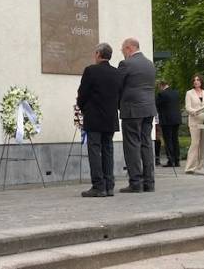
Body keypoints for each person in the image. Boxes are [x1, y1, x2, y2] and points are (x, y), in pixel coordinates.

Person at [77, 43, 122, 197]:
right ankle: (109, 186)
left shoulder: (90, 71)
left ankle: (98, 186)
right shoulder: (116, 73)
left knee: (95, 151)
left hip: (94, 117)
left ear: (98, 54)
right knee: (108, 150)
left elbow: (82, 95)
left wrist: (84, 109)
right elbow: (119, 96)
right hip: (110, 118)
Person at [118, 38, 157, 193]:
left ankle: (135, 183)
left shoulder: (126, 64)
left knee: (132, 145)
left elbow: (117, 86)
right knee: (146, 144)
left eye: (123, 50)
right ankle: (149, 183)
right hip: (149, 109)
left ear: (129, 48)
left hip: (132, 109)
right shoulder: (150, 64)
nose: (123, 54)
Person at [184, 74, 204, 174]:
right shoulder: (189, 93)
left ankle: (201, 166)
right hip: (195, 120)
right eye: (194, 80)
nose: (196, 81)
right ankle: (190, 167)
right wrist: (194, 111)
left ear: (201, 82)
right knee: (195, 143)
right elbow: (187, 107)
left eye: (198, 80)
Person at [156, 80, 182, 167]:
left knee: (168, 140)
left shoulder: (162, 94)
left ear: (161, 86)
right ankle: (177, 160)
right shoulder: (176, 93)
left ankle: (171, 161)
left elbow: (157, 105)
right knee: (175, 139)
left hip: (166, 120)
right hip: (176, 119)